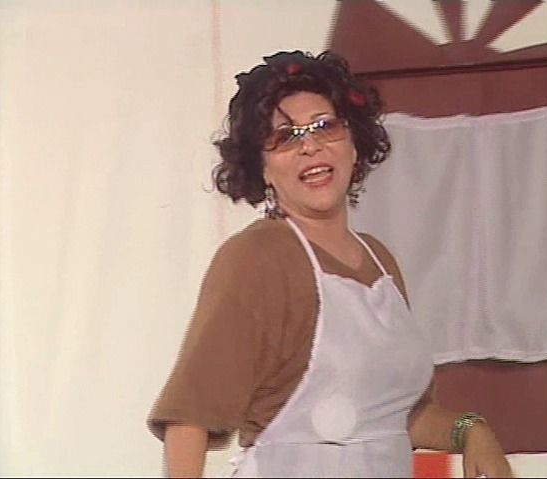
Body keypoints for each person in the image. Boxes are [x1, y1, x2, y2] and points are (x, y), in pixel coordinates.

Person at [147, 50, 513, 478]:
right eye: (286, 137)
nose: (310, 146)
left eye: (325, 126)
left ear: (354, 143)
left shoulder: (380, 262)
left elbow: (394, 419)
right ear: (262, 168)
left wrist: (471, 430)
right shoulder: (257, 257)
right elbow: (189, 419)